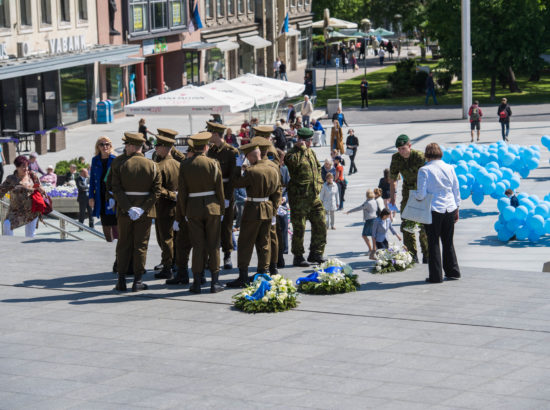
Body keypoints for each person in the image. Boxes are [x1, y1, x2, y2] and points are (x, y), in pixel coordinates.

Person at [226, 142, 281, 288]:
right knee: (264, 242)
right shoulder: (273, 168)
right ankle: (263, 273)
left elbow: (235, 183)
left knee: (245, 242)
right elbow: (277, 191)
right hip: (268, 208)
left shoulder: (252, 171)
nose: (247, 160)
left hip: (253, 209)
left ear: (251, 155)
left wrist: (237, 167)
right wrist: (273, 209)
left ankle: (243, 276)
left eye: (247, 157)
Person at [111, 132, 161, 292]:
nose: (126, 147)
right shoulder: (152, 165)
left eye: (127, 145)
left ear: (133, 146)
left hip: (125, 212)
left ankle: (121, 281)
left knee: (123, 244)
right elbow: (157, 191)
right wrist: (142, 208)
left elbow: (115, 188)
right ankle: (137, 281)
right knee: (140, 246)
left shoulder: (119, 164)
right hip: (144, 213)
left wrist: (128, 207)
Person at [176, 131, 225, 293]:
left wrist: (184, 212)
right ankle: (215, 282)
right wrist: (222, 209)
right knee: (213, 245)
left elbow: (182, 192)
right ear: (205, 147)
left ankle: (197, 282)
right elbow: (219, 188)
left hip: (193, 208)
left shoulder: (185, 164)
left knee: (198, 246)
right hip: (212, 207)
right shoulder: (213, 163)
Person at [415, 142, 461, 283]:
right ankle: (453, 271)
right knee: (448, 241)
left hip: (434, 209)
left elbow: (421, 194)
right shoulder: (449, 167)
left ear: (427, 154)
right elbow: (456, 188)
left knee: (433, 242)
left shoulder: (424, 170)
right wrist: (457, 207)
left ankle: (436, 276)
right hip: (449, 207)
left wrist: (415, 196)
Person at [285, 127, 327, 266]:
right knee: (299, 228)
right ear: (301, 140)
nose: (310, 143)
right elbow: (292, 164)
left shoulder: (311, 152)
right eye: (308, 141)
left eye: (310, 140)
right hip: (299, 199)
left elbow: (319, 168)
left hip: (314, 197)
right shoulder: (292, 154)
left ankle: (316, 253)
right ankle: (298, 256)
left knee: (321, 223)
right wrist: (302, 149)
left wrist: (319, 183)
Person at [389, 134, 429, 263]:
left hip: (422, 190)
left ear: (409, 146)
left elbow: (429, 175)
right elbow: (393, 179)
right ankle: (412, 255)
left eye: (403, 148)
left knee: (423, 224)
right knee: (407, 222)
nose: (401, 151)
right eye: (399, 149)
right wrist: (392, 198)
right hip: (408, 190)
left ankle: (427, 255)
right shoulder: (395, 158)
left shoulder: (420, 157)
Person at [207, 121, 238, 270]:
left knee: (226, 227)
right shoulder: (211, 151)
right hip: (212, 193)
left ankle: (227, 254)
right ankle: (213, 256)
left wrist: (227, 197)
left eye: (210, 133)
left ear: (215, 134)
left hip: (226, 193)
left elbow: (233, 178)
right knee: (212, 225)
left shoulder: (232, 152)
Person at [151, 129, 181, 280]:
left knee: (166, 239)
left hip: (164, 207)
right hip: (177, 207)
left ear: (164, 148)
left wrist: (171, 195)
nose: (156, 148)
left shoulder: (159, 166)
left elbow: (157, 189)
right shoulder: (179, 164)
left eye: (158, 146)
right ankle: (174, 263)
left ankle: (167, 267)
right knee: (175, 238)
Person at [0, 155, 42, 237]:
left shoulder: (32, 175)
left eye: (27, 166)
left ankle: (29, 249)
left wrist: (39, 190)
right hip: (16, 210)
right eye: (23, 167)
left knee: (30, 235)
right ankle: (10, 247)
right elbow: (1, 190)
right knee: (7, 224)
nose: (26, 169)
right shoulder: (11, 179)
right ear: (17, 167)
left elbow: (40, 187)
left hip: (31, 210)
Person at [89, 136, 118, 242]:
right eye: (102, 144)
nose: (105, 146)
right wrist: (91, 197)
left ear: (110, 146)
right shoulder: (95, 160)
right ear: (98, 147)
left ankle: (119, 248)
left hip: (113, 196)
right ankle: (109, 243)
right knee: (105, 223)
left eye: (107, 144)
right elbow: (92, 180)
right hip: (100, 196)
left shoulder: (115, 159)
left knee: (116, 222)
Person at [346, 189, 378, 258]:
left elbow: (359, 208)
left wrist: (349, 211)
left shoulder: (367, 203)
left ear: (367, 195)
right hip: (375, 219)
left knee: (364, 235)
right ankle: (374, 249)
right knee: (373, 235)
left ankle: (370, 250)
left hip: (369, 220)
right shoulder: (374, 201)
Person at [276, 148, 290, 267]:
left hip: (283, 202)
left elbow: (287, 186)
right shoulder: (272, 168)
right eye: (281, 159)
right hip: (273, 203)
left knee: (284, 224)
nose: (283, 161)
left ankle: (285, 247)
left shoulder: (285, 169)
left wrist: (285, 198)